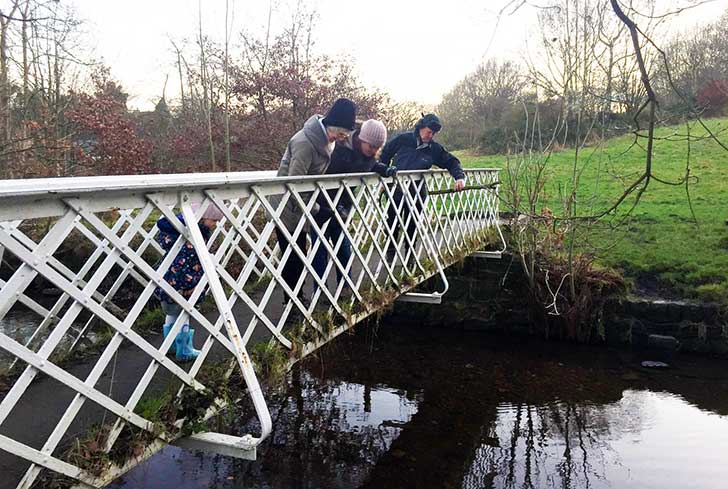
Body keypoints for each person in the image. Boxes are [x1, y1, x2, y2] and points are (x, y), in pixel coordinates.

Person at [272, 98, 357, 303]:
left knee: (300, 254)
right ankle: (293, 302)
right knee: (293, 256)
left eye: (346, 134)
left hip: (303, 203)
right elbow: (295, 184)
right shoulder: (304, 143)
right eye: (342, 132)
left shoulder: (328, 141)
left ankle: (298, 300)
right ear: (332, 126)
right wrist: (319, 208)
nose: (343, 137)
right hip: (286, 205)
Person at [310, 119, 397, 293]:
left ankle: (346, 286)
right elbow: (333, 168)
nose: (373, 150)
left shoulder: (366, 155)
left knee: (342, 245)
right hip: (321, 202)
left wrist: (383, 169)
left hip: (342, 204)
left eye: (376, 148)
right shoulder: (340, 149)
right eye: (371, 146)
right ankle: (320, 290)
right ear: (361, 139)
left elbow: (370, 164)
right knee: (319, 248)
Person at [379, 113, 466, 258]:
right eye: (429, 132)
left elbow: (451, 161)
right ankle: (390, 254)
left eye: (433, 133)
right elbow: (385, 154)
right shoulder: (403, 139)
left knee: (412, 225)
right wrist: (384, 173)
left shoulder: (434, 149)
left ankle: (410, 256)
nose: (430, 135)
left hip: (416, 191)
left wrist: (459, 177)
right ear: (421, 127)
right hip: (396, 189)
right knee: (391, 222)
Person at [154, 203, 224, 361]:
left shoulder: (174, 233)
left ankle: (171, 345)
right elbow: (189, 265)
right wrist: (192, 286)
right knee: (184, 312)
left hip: (168, 277)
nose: (215, 224)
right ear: (202, 217)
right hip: (183, 281)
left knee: (172, 312)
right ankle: (184, 349)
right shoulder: (192, 235)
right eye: (214, 220)